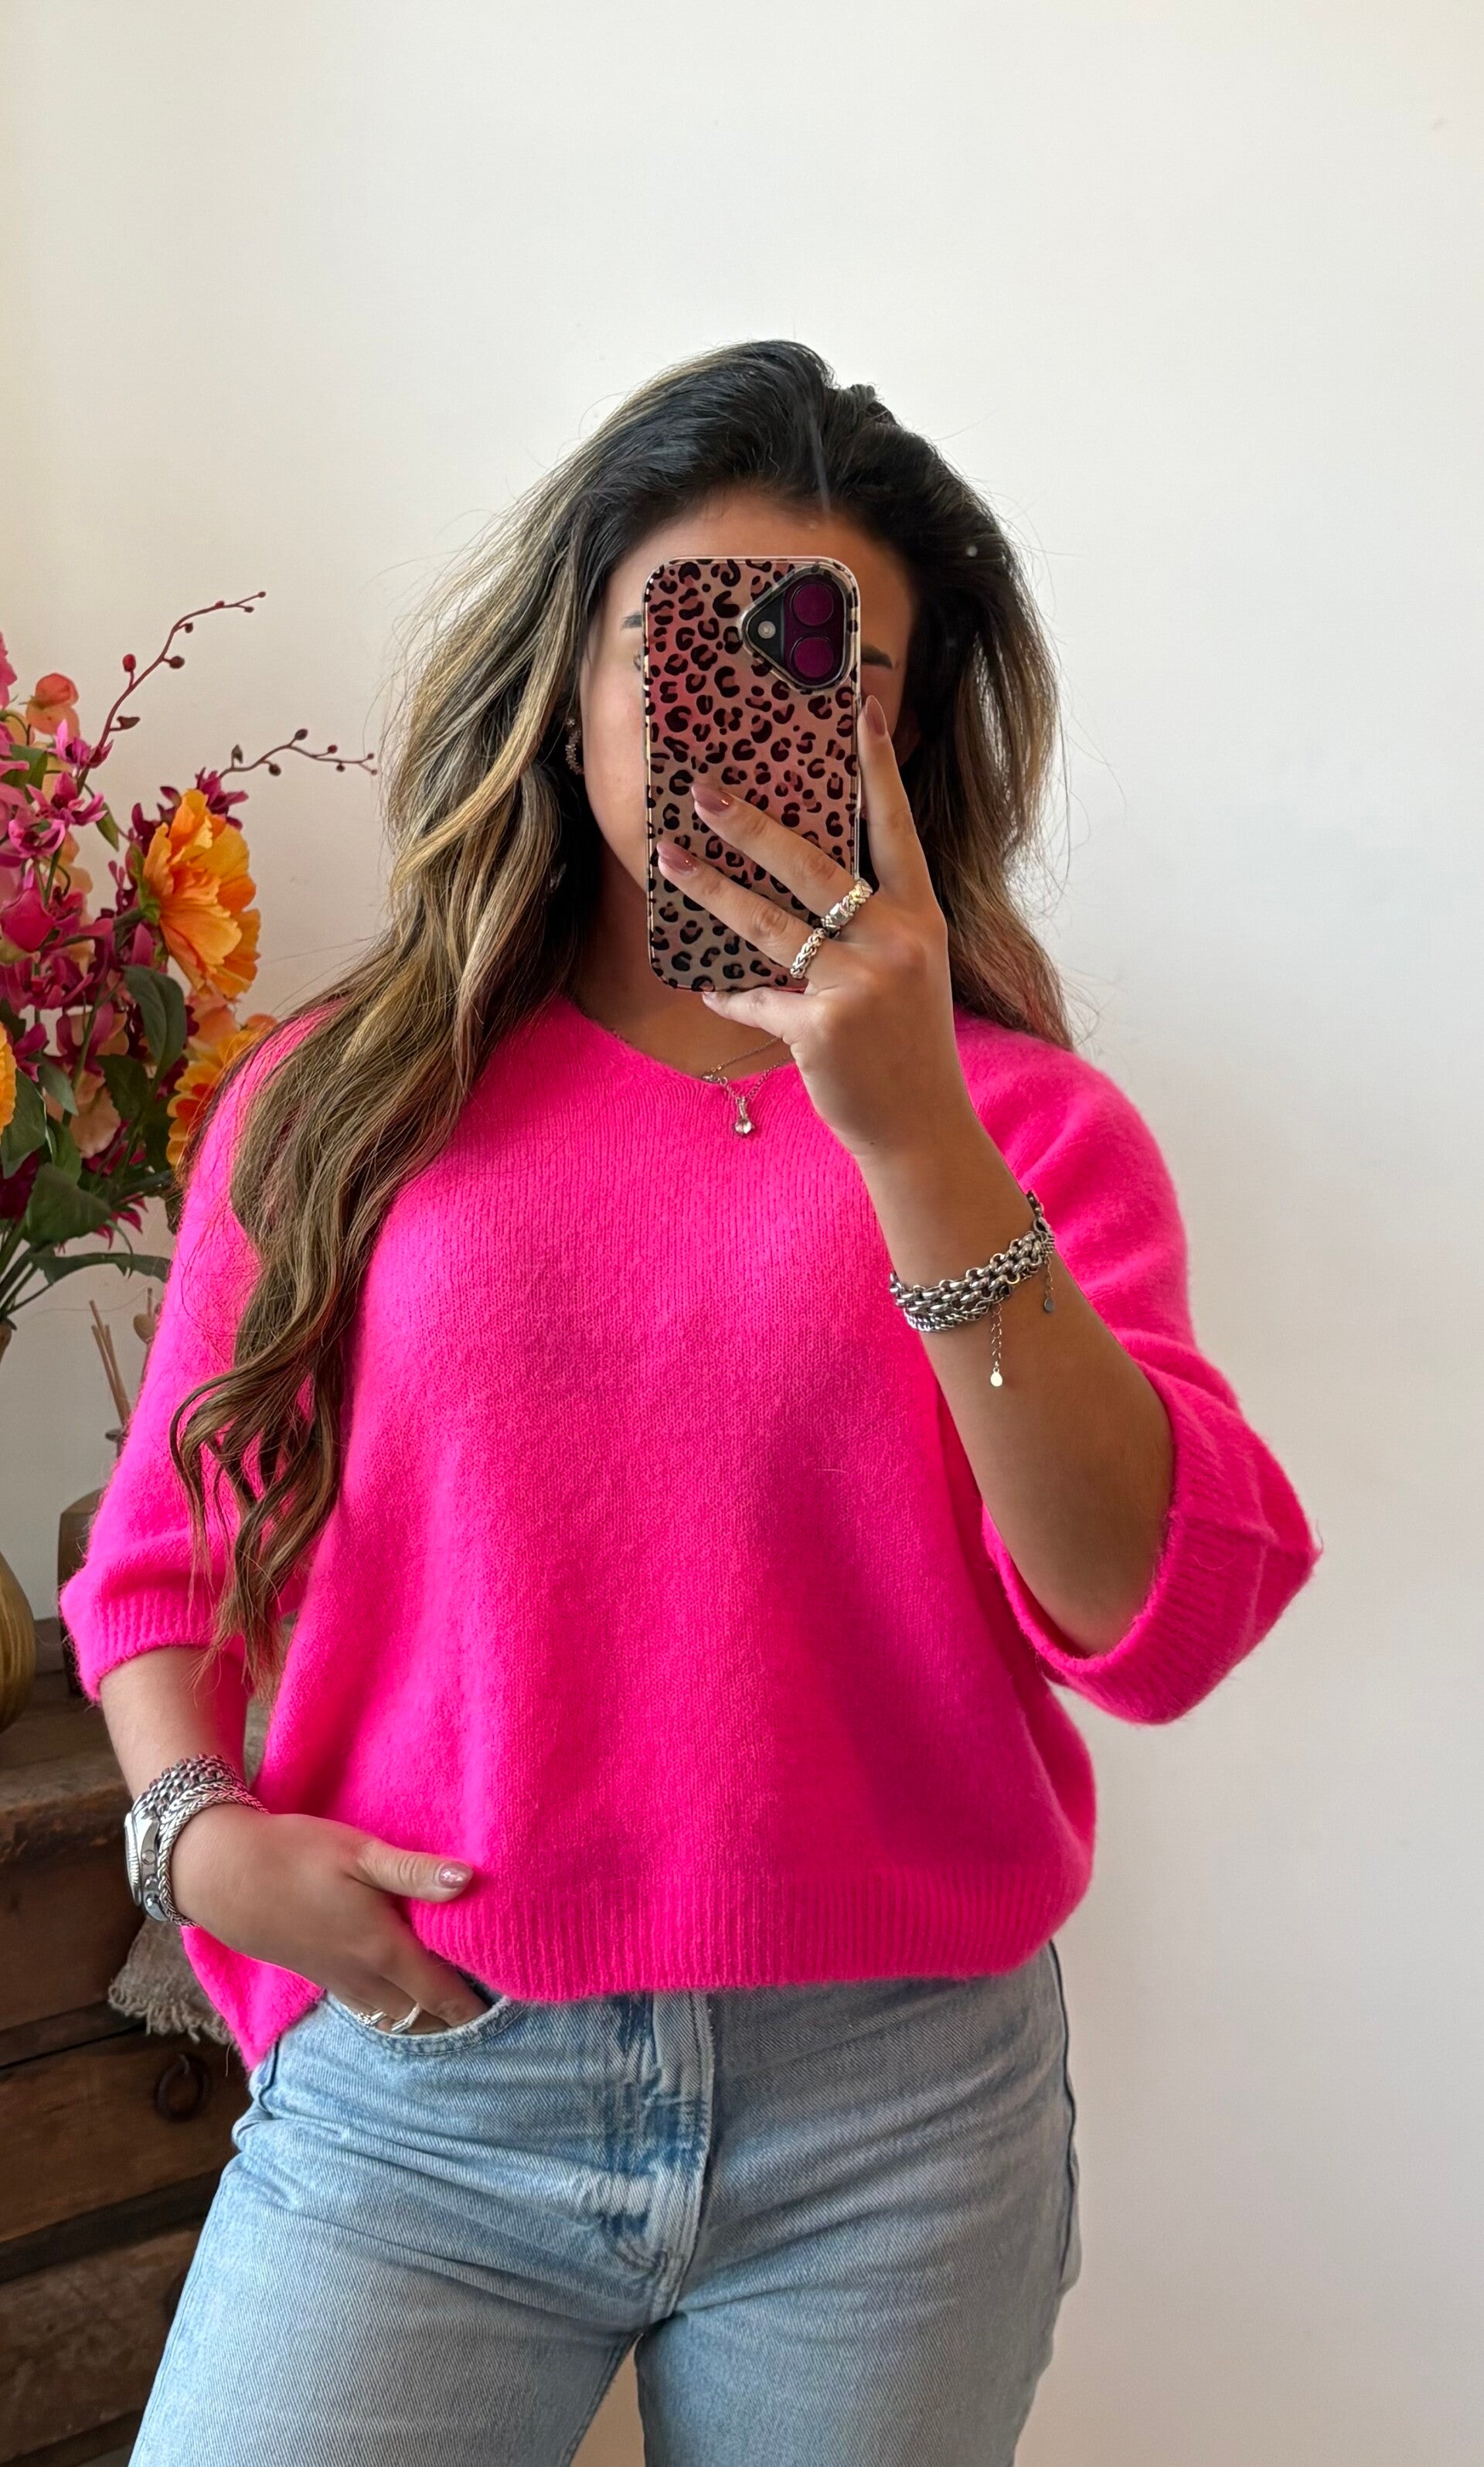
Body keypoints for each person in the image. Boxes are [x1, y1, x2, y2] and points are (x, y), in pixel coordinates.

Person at [60, 338, 1319, 2467]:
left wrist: (914, 1137)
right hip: (426, 2087)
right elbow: (163, 1558)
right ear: (568, 681)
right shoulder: (347, 1104)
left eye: (828, 669)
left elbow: (1156, 1619)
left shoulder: (1027, 1135)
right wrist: (195, 1841)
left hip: (895, 2127)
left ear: (900, 739)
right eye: (677, 643)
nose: (726, 715)